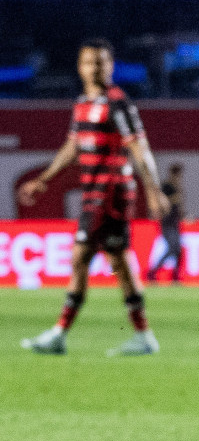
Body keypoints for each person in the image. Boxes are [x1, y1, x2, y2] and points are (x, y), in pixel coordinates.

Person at [19, 38, 168, 356]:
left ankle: (59, 333)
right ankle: (143, 335)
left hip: (110, 192)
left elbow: (139, 148)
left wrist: (153, 191)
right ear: (80, 67)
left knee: (80, 257)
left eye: (101, 62)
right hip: (94, 191)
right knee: (119, 261)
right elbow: (72, 146)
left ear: (111, 66)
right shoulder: (82, 103)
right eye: (89, 62)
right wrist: (44, 179)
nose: (95, 68)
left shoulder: (118, 103)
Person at [154, 162, 186, 284]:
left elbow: (178, 207)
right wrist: (175, 198)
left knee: (177, 250)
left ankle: (175, 275)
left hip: (175, 222)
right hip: (167, 222)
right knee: (173, 248)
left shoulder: (177, 187)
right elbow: (162, 202)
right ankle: (153, 271)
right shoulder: (166, 186)